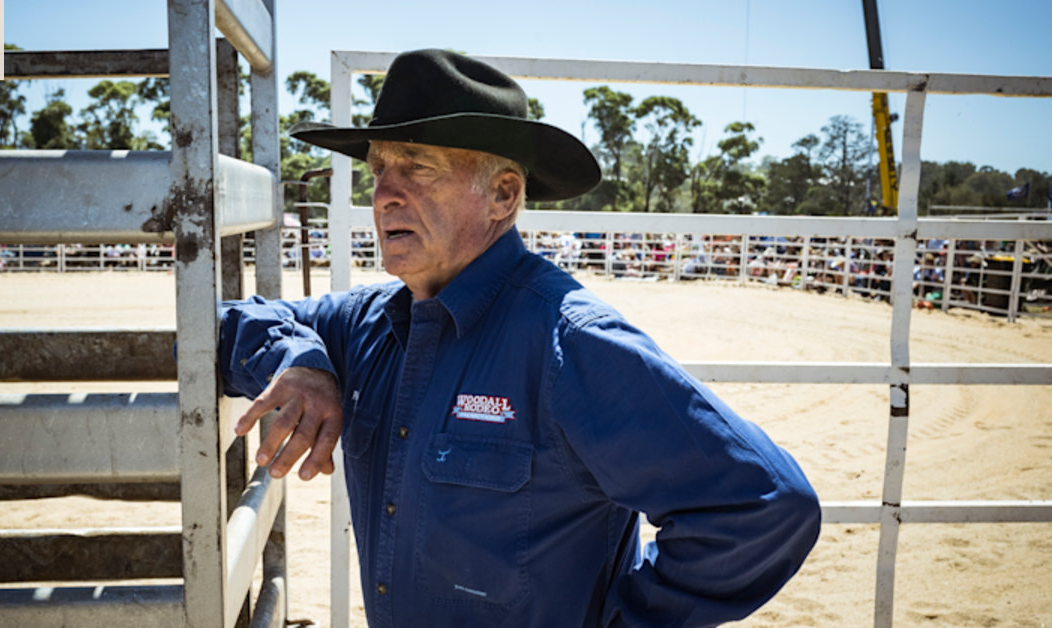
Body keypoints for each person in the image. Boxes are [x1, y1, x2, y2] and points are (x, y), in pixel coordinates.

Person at [218, 49, 820, 627]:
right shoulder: (363, 325)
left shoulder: (571, 344)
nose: (383, 194)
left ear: (503, 195)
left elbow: (766, 505)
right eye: (378, 168)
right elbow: (221, 326)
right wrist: (299, 360)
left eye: (417, 165)